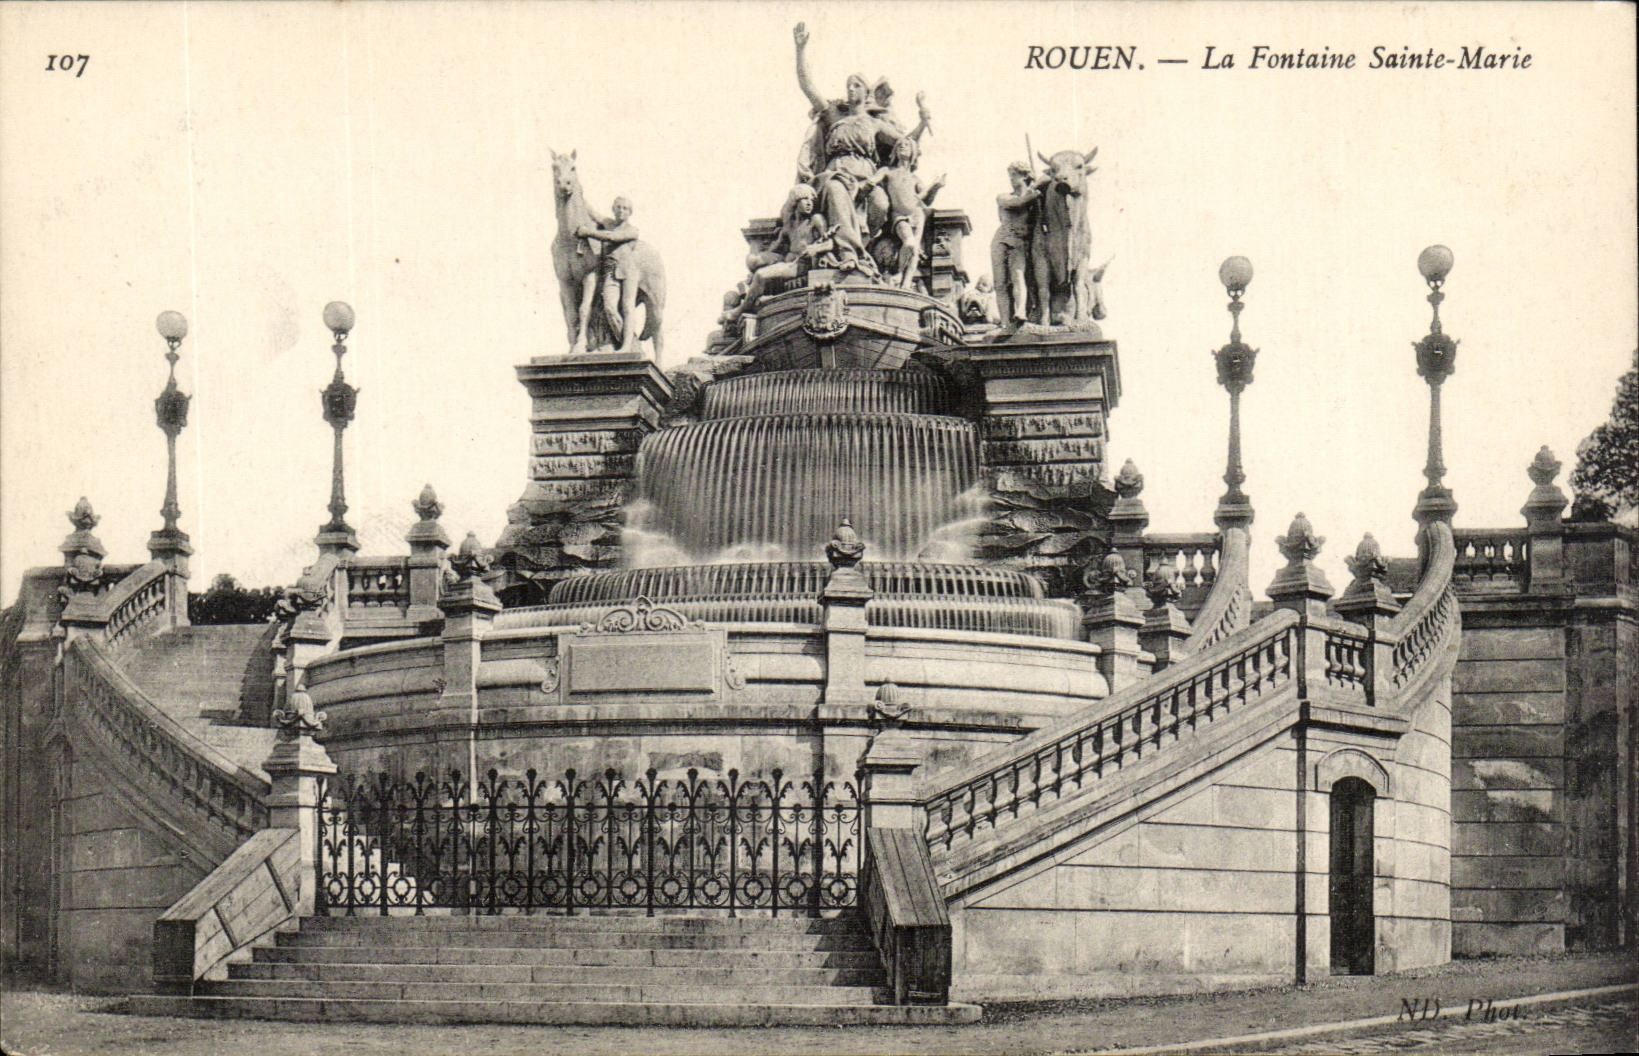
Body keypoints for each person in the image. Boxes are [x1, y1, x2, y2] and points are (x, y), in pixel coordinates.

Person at [793, 23, 914, 277]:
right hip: (835, 174)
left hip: (866, 178)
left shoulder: (875, 123)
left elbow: (907, 141)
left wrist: (921, 126)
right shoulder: (832, 114)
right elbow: (807, 85)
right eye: (848, 85)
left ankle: (862, 251)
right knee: (837, 193)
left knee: (880, 205)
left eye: (856, 85)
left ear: (866, 92)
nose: (850, 89)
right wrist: (800, 49)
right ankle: (849, 254)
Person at [868, 137, 945, 288]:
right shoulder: (887, 171)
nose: (903, 147)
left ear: (913, 153)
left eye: (907, 146)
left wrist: (936, 187)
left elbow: (927, 200)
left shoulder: (915, 178)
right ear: (895, 151)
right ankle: (898, 273)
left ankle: (906, 284)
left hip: (917, 215)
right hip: (899, 216)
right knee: (909, 244)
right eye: (900, 146)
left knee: (915, 249)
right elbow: (872, 180)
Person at [991, 161, 1051, 328]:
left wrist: (1037, 191)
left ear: (1025, 176)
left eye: (1014, 175)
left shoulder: (1035, 201)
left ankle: (1020, 311)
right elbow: (1017, 203)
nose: (1010, 179)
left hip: (1019, 242)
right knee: (1000, 283)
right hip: (1002, 239)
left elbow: (1049, 177)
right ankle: (1004, 322)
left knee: (1018, 276)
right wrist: (1035, 190)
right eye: (1010, 175)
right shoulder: (1004, 197)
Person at [576, 197, 639, 348]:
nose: (621, 210)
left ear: (630, 212)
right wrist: (578, 196)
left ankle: (626, 346)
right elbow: (592, 212)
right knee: (609, 307)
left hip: (628, 271)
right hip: (610, 271)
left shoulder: (632, 231)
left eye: (625, 208)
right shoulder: (608, 223)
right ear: (613, 209)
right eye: (618, 207)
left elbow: (612, 236)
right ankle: (626, 342)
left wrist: (587, 232)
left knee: (628, 307)